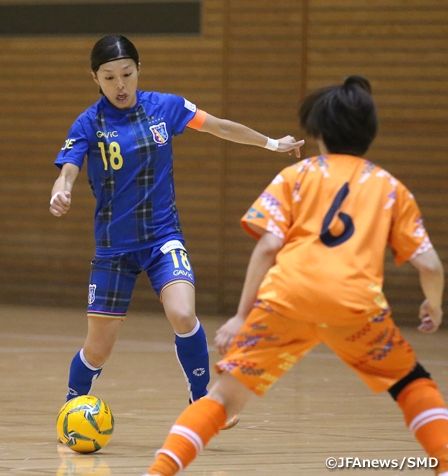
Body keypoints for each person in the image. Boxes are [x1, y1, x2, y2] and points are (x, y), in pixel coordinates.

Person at [143, 75, 447, 475]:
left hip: (286, 301)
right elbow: (429, 264)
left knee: (222, 399)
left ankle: (159, 472)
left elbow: (268, 246)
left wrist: (240, 316)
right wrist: (434, 304)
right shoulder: (391, 188)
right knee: (411, 384)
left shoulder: (296, 176)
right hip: (356, 306)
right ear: (370, 131)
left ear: (319, 132)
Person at [50, 34, 304, 415]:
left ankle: (200, 399)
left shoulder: (166, 108)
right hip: (113, 249)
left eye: (127, 74)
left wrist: (272, 144)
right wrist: (62, 188)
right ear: (95, 79)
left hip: (162, 240)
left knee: (184, 314)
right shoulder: (89, 122)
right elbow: (69, 167)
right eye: (109, 78)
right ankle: (71, 408)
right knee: (98, 348)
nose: (120, 85)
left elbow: (219, 126)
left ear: (139, 70)